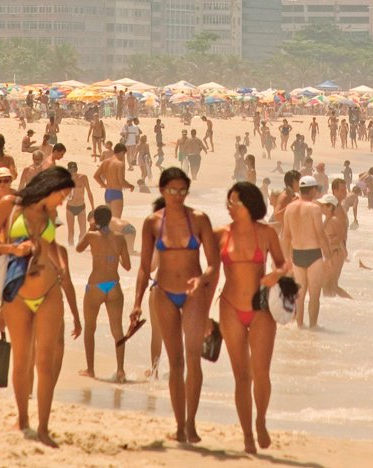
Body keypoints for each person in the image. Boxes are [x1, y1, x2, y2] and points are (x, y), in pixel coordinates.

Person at [0, 166, 81, 448]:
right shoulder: (9, 205)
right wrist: (15, 249)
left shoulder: (50, 214)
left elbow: (50, 246)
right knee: (22, 359)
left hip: (49, 290)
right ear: (50, 189)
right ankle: (23, 419)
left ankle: (45, 427)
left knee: (45, 362)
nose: (63, 201)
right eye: (62, 195)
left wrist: (59, 266)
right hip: (18, 293)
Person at [130, 167, 219, 443]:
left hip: (193, 296)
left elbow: (214, 264)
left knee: (193, 361)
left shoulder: (199, 220)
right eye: (172, 191)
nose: (178, 196)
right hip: (163, 293)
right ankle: (179, 425)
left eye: (182, 191)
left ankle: (192, 424)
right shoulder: (152, 223)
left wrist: (201, 280)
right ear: (162, 191)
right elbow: (144, 268)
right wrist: (136, 304)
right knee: (175, 361)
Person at [214, 182, 289, 454]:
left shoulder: (266, 233)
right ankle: (247, 435)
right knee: (241, 377)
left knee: (261, 373)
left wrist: (276, 274)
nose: (230, 207)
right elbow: (210, 271)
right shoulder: (220, 234)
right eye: (229, 202)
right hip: (230, 307)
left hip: (260, 308)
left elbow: (282, 262)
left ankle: (260, 421)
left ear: (250, 205)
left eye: (235, 202)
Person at [76, 206, 131, 382]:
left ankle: (90, 369)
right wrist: (115, 256)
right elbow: (128, 266)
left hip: (95, 286)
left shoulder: (92, 236)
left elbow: (78, 248)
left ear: (96, 220)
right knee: (118, 330)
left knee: (90, 328)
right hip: (114, 285)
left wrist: (90, 229)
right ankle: (121, 370)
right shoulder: (120, 238)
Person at [282, 176, 331, 328]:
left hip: (297, 254)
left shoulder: (289, 208)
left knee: (299, 297)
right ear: (313, 190)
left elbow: (286, 236)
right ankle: (313, 328)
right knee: (314, 296)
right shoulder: (314, 208)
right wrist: (328, 257)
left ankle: (299, 327)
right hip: (313, 254)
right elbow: (321, 234)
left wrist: (286, 258)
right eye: (317, 189)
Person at [318, 193, 351, 299]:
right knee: (330, 285)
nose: (321, 207)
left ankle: (350, 302)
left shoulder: (334, 220)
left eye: (323, 205)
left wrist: (330, 241)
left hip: (336, 253)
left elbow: (342, 236)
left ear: (330, 207)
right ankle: (340, 304)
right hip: (332, 253)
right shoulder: (328, 219)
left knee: (328, 284)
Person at [94, 143, 135, 218]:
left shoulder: (106, 162)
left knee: (109, 220)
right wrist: (130, 186)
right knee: (116, 221)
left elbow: (96, 176)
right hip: (116, 193)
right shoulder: (119, 164)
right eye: (124, 154)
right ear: (122, 152)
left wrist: (104, 185)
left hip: (108, 193)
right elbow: (121, 181)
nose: (124, 156)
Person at [65, 162, 94, 246]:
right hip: (70, 207)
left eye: (74, 170)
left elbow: (89, 192)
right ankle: (71, 250)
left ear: (76, 169)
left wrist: (93, 207)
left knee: (83, 231)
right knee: (71, 232)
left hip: (81, 206)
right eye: (71, 170)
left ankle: (79, 247)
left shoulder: (83, 178)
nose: (73, 172)